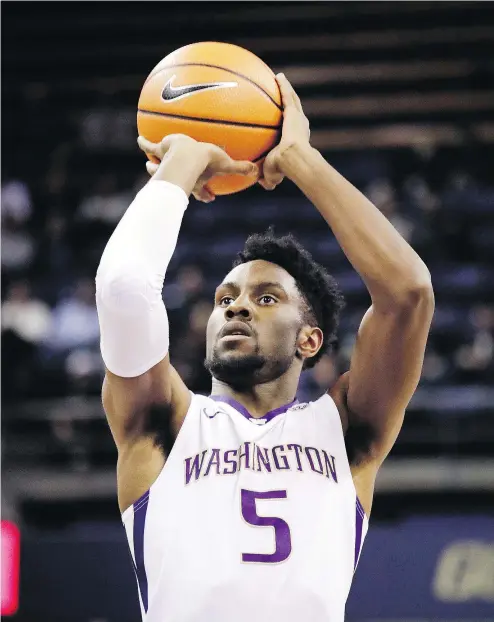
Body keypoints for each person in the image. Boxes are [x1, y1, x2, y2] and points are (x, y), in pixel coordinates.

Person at [95, 74, 434, 622]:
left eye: (266, 296)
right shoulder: (162, 420)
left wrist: (302, 160)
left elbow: (409, 294)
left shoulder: (345, 431)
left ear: (310, 338)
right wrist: (181, 165)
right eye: (225, 297)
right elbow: (123, 290)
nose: (235, 307)